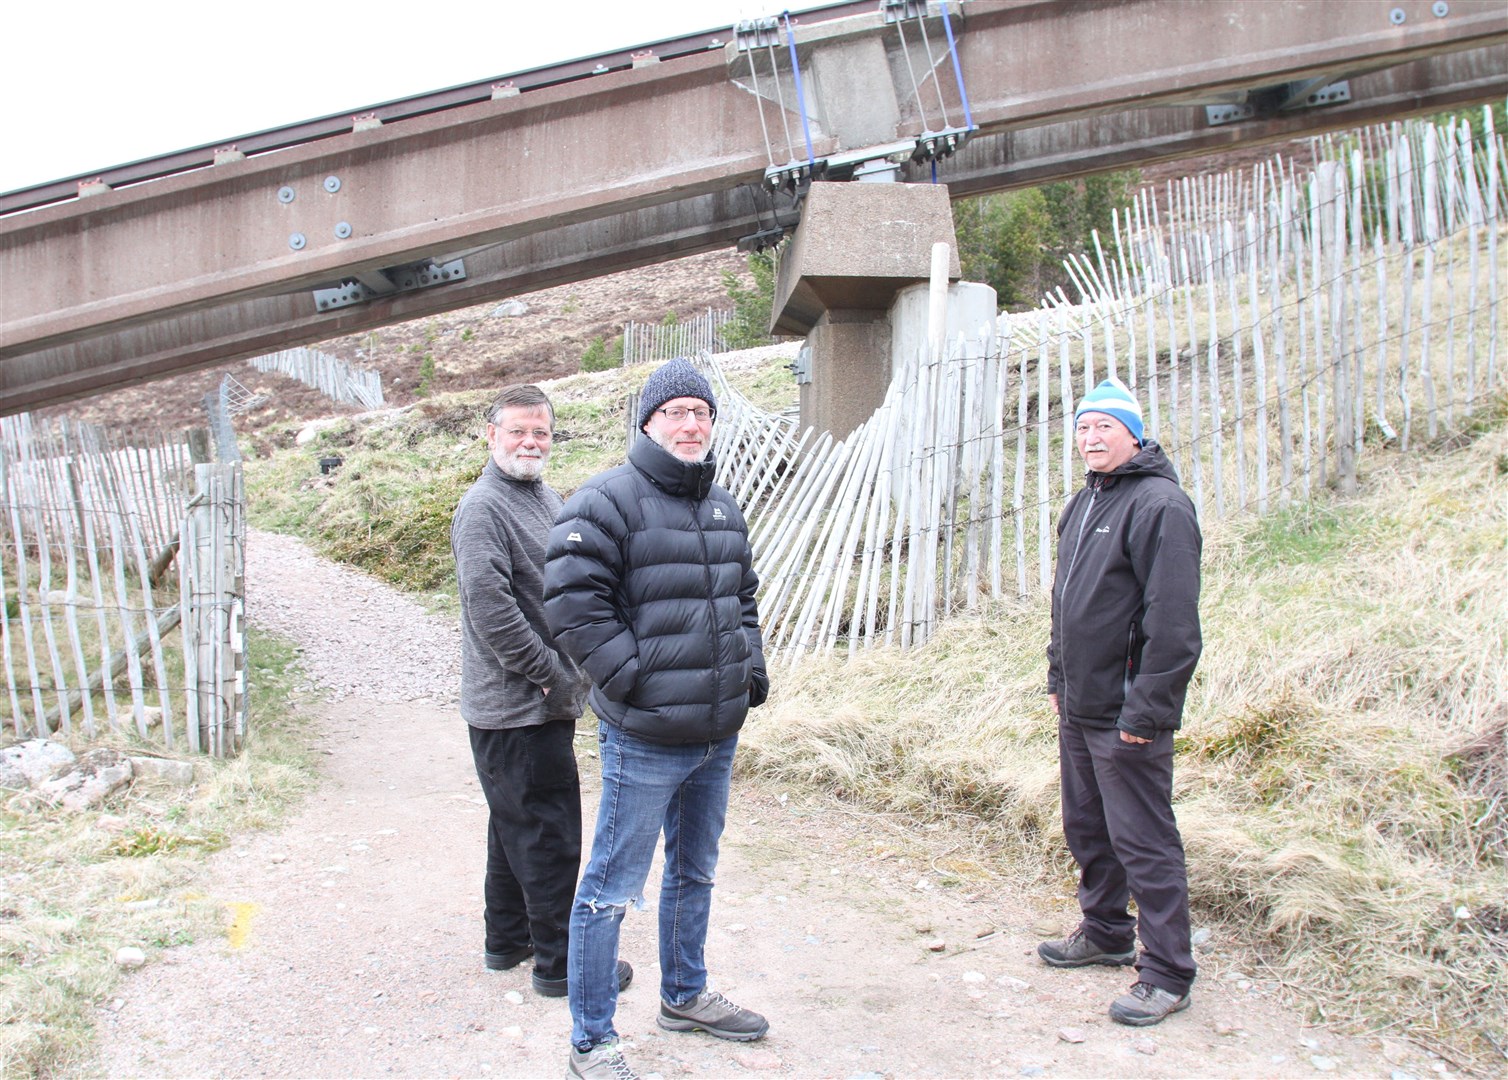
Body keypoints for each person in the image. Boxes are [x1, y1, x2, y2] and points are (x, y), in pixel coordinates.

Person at [544, 357, 770, 1080]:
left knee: (695, 872)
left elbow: (743, 600)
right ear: (648, 421)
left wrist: (750, 672)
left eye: (700, 413)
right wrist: (631, 681)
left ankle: (685, 994)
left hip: (716, 732)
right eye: (675, 412)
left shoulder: (722, 505)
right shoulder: (604, 501)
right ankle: (591, 1040)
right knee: (611, 886)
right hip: (645, 736)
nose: (690, 424)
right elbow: (574, 605)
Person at [451, 384, 630, 999]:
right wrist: (556, 676)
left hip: (537, 702)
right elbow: (492, 612)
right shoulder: (483, 508)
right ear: (491, 435)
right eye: (517, 432)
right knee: (549, 832)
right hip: (516, 705)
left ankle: (508, 940)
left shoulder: (543, 496)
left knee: (515, 825)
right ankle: (563, 966)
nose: (530, 442)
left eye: (541, 433)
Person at [1040, 375, 1203, 1028]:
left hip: (1127, 713)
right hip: (1081, 705)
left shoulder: (1161, 505)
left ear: (1134, 434)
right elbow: (1065, 605)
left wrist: (1148, 713)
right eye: (1083, 427)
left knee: (1144, 841)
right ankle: (1105, 930)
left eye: (1104, 426)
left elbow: (1173, 623)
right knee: (1089, 828)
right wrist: (1058, 679)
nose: (1091, 437)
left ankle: (1167, 973)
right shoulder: (1083, 505)